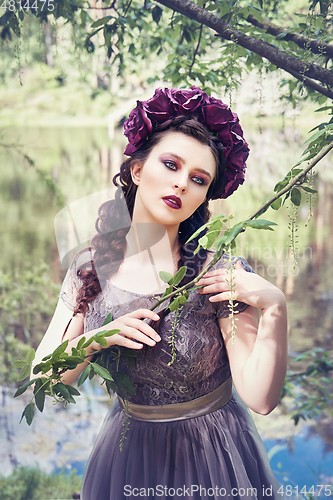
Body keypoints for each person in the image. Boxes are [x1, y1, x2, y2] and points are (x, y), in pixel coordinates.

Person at [34, 87, 288, 499]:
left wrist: (275, 304)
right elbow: (41, 380)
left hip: (212, 455)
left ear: (205, 194)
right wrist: (96, 339)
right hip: (129, 453)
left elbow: (260, 398)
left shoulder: (215, 274)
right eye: (170, 164)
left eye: (198, 179)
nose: (181, 184)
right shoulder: (89, 268)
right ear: (137, 170)